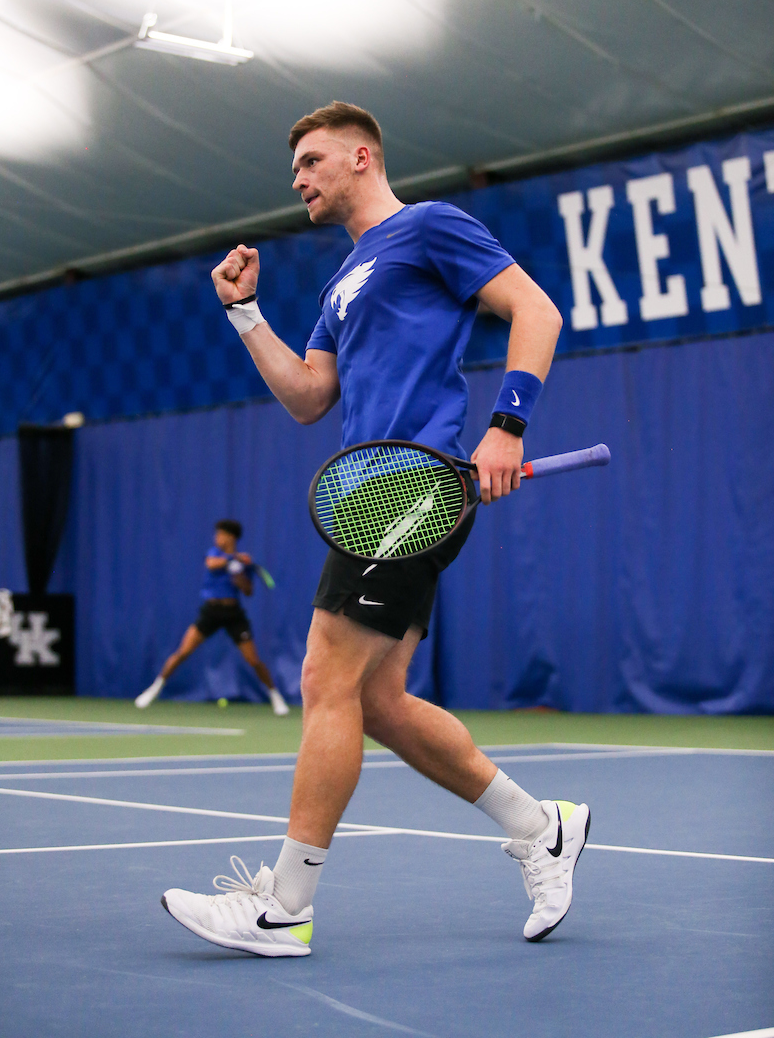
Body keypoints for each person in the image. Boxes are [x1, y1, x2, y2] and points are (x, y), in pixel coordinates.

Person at [161, 102, 590, 957]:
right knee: (379, 703)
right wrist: (246, 315)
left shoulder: (430, 228)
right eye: (295, 169)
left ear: (362, 157)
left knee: (325, 676)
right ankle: (542, 827)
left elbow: (536, 312)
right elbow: (308, 398)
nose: (299, 179)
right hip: (367, 490)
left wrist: (508, 424)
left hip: (414, 482)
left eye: (313, 161)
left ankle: (284, 909)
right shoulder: (338, 285)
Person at [135, 519, 289, 716]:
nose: (217, 538)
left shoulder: (242, 564)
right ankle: (154, 688)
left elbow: (248, 591)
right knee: (183, 651)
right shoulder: (215, 554)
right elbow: (211, 564)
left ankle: (276, 697)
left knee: (253, 659)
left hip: (233, 613)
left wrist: (239, 575)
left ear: (230, 537)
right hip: (210, 612)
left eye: (220, 534)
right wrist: (233, 560)